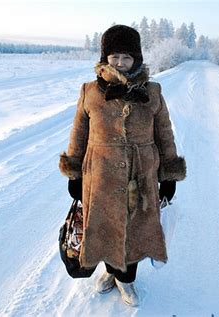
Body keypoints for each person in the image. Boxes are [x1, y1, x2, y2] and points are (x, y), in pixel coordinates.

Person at [59, 24, 186, 307]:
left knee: (136, 230)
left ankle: (126, 280)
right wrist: (74, 172)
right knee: (104, 228)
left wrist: (169, 173)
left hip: (140, 175)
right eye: (115, 56)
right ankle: (110, 272)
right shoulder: (89, 91)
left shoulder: (152, 92)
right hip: (99, 174)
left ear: (137, 59)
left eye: (126, 57)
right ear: (106, 57)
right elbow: (78, 133)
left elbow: (164, 132)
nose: (120, 62)